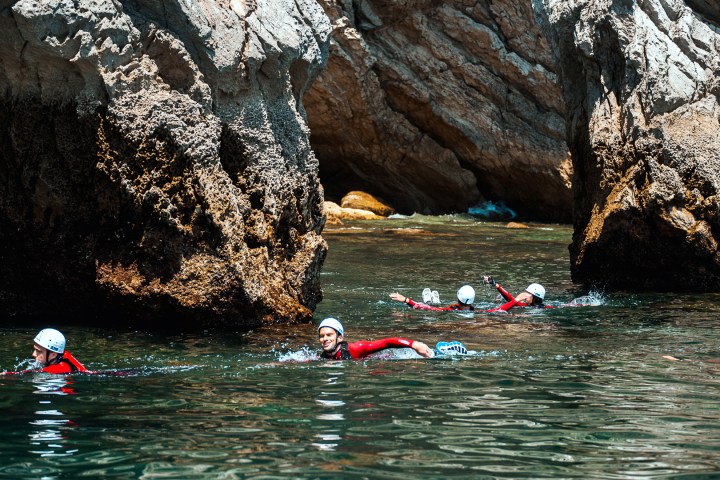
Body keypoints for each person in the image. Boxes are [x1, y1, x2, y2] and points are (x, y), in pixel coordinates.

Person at [317, 318, 434, 360]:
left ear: (340, 337)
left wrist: (415, 344)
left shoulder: (356, 348)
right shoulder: (322, 357)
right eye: (322, 336)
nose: (325, 339)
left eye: (329, 335)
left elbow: (387, 342)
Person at [482, 276, 550, 313]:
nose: (525, 295)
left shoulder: (541, 308)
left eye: (528, 294)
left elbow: (499, 310)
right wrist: (496, 285)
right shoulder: (527, 305)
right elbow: (512, 300)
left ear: (535, 297)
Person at [389, 285, 475, 312]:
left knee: (433, 309)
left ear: (458, 298)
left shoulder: (452, 310)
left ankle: (430, 302)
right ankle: (435, 302)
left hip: (442, 312)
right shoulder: (477, 312)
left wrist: (406, 300)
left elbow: (428, 309)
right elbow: (489, 310)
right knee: (438, 309)